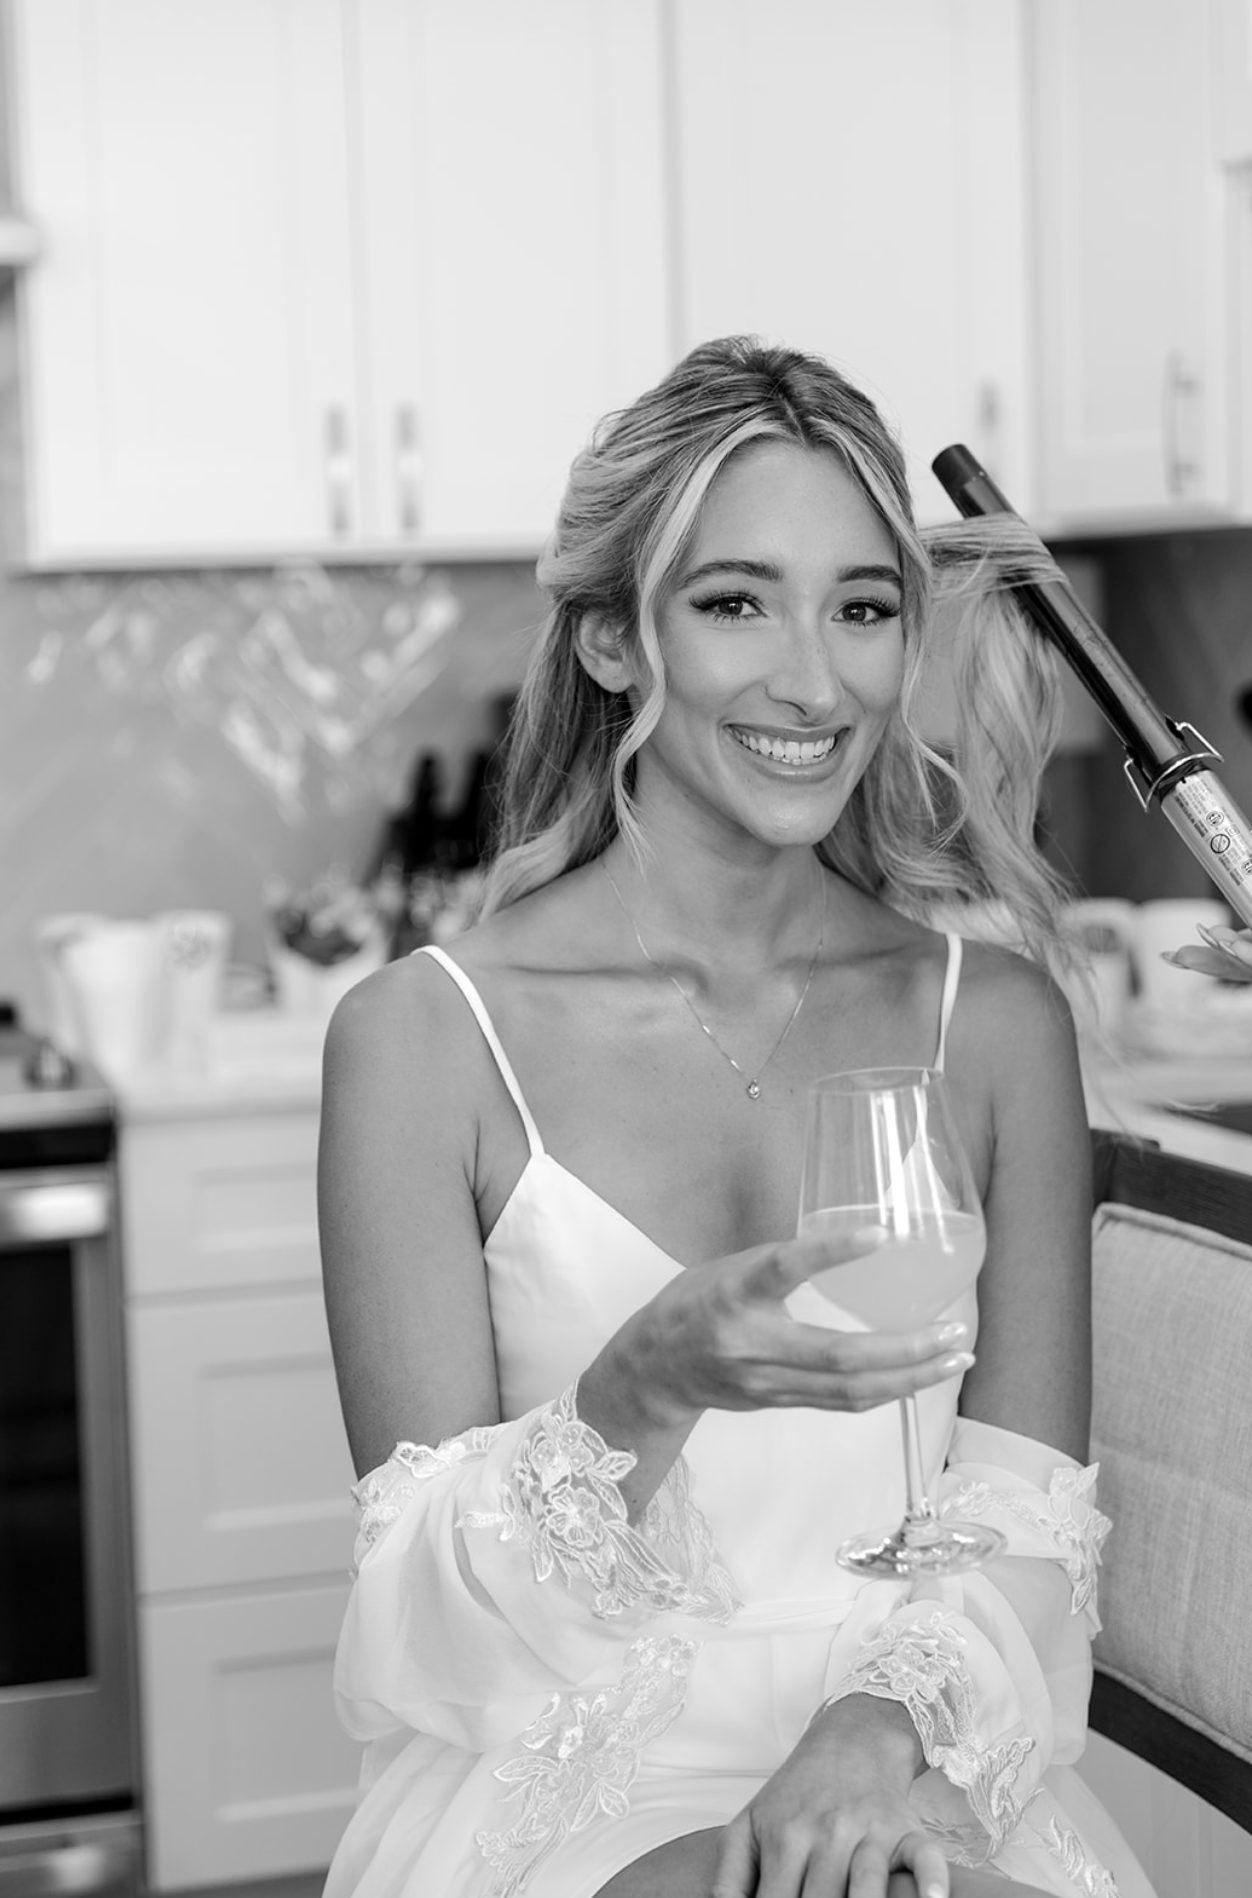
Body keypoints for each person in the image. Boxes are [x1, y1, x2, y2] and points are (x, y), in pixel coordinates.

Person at [317, 337, 1157, 1898]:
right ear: (613, 641)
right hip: (567, 1785)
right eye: (733, 600)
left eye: (862, 605)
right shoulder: (425, 1042)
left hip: (903, 1763)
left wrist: (871, 1729)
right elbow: (415, 1622)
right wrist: (644, 1382)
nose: (813, 680)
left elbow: (1025, 1521)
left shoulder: (998, 1023)